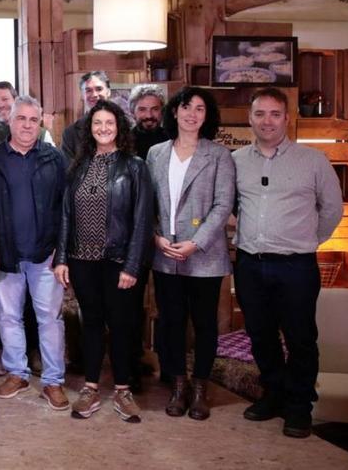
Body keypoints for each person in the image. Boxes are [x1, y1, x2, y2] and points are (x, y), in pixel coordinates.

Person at [233, 87, 342, 439]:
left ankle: (299, 407)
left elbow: (332, 210)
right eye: (260, 114)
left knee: (300, 338)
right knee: (260, 335)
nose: (267, 121)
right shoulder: (235, 161)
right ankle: (273, 395)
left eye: (274, 114)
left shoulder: (313, 161)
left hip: (296, 265)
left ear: (286, 118)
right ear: (250, 118)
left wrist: (307, 241)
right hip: (250, 263)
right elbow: (231, 206)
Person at [54, 99, 154, 423]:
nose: (103, 128)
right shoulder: (78, 166)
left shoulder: (135, 166)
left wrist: (132, 265)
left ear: (119, 126)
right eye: (97, 123)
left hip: (118, 261)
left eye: (109, 123)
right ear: (90, 128)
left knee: (123, 327)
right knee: (91, 325)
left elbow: (142, 220)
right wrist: (62, 258)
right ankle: (91, 388)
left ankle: (123, 390)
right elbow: (66, 216)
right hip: (83, 261)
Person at [146, 87, 234, 421]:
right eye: (186, 107)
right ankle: (178, 385)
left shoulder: (219, 155)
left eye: (200, 108)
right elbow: (148, 203)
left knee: (204, 324)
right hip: (165, 253)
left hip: (205, 256)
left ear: (207, 116)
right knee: (170, 323)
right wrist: (155, 238)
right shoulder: (156, 153)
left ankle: (200, 388)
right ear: (174, 112)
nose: (192, 114)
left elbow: (223, 204)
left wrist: (196, 242)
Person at [0, 96, 69, 412]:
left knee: (49, 318)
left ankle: (53, 380)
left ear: (40, 122)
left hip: (46, 253)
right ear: (10, 121)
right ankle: (17, 372)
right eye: (21, 119)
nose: (27, 125)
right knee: (8, 316)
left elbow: (65, 209)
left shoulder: (55, 159)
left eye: (33, 119)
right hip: (7, 255)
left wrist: (62, 251)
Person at [126, 83, 168, 389]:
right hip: (132, 236)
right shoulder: (124, 143)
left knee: (168, 304)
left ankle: (170, 365)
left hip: (168, 235)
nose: (149, 115)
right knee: (130, 306)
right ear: (132, 112)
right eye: (143, 110)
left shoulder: (172, 141)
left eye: (154, 109)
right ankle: (132, 364)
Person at [0, 81, 53, 152]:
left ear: (16, 101)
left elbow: (53, 162)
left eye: (5, 99)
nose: (0, 105)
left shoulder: (42, 134)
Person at [61, 71, 112, 160]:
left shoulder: (124, 126)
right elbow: (68, 170)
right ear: (82, 95)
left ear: (108, 92)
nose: (94, 94)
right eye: (88, 90)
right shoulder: (70, 134)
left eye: (99, 89)